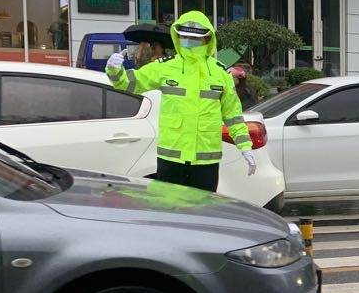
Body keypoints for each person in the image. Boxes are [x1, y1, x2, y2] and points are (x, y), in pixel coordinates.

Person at [104, 10, 256, 193]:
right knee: (170, 213)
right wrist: (115, 71)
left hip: (205, 162)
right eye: (185, 37)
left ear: (208, 40)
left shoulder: (220, 73)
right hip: (171, 160)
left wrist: (245, 147)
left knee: (203, 212)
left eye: (195, 38)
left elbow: (233, 116)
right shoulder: (165, 67)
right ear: (178, 36)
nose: (189, 41)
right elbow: (128, 83)